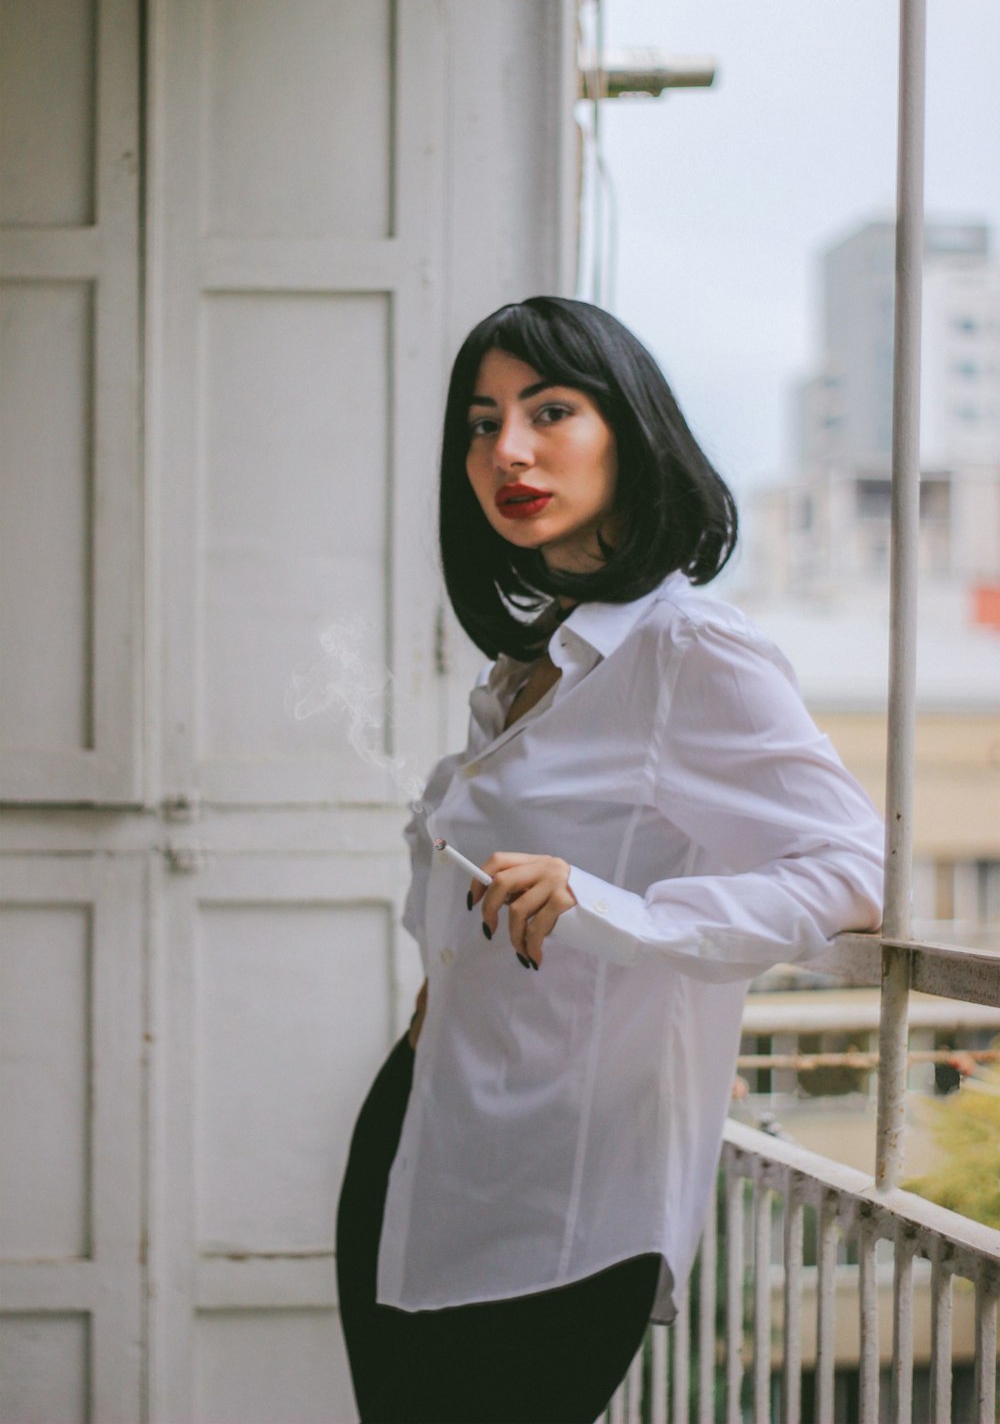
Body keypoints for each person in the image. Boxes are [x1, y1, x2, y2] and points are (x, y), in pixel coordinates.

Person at [335, 297, 884, 1423]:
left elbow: (851, 868)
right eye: (481, 425)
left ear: (628, 434)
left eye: (550, 411)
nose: (509, 451)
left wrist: (612, 908)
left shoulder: (688, 649)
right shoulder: (535, 666)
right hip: (423, 1131)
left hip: (562, 1187)